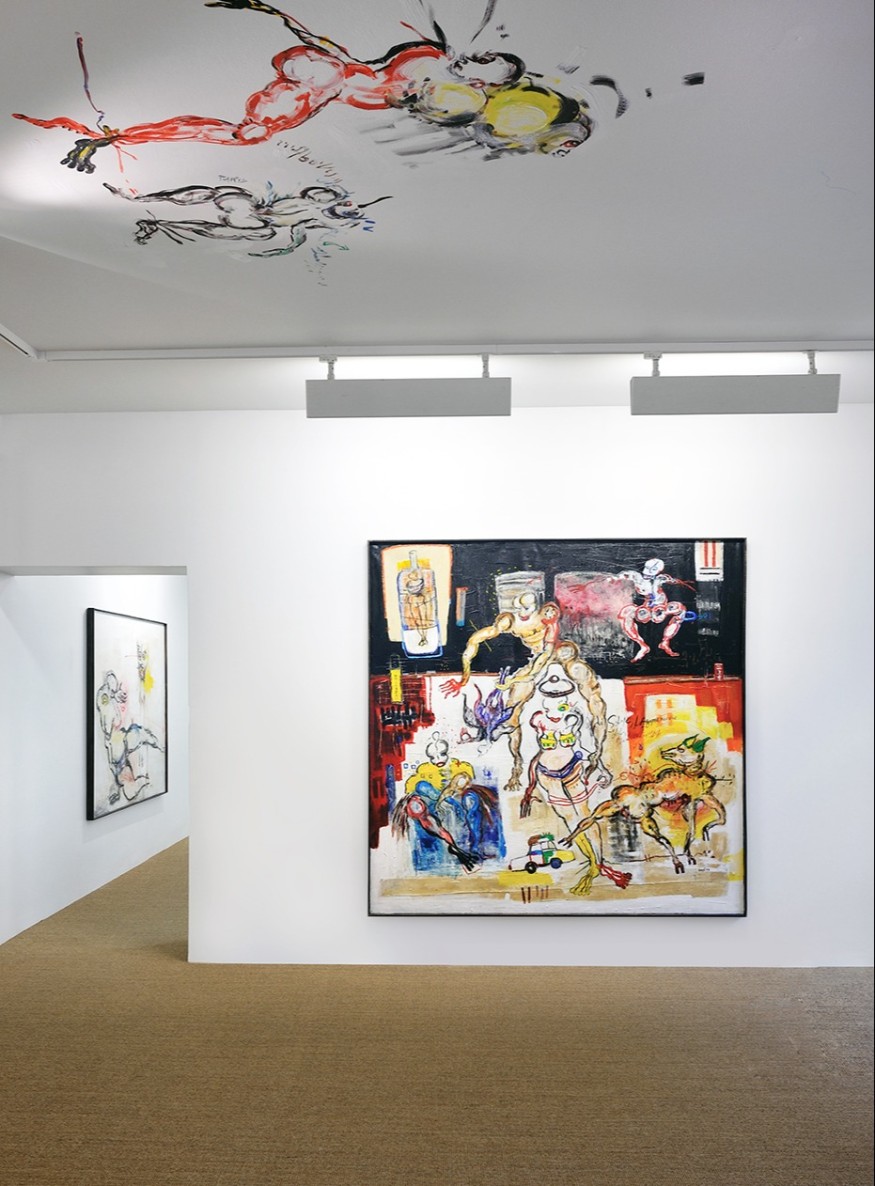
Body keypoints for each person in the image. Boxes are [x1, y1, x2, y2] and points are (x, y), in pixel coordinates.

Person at [13, 0, 595, 173]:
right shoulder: (449, 64)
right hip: (334, 69)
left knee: (249, 135)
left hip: (330, 79)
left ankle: (114, 136)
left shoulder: (451, 96)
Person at [441, 589, 609, 794]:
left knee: (590, 692)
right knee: (511, 711)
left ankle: (598, 753)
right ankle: (517, 765)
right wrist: (464, 676)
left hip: (557, 653)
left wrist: (515, 679)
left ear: (537, 606)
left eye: (527, 607)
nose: (521, 612)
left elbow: (543, 659)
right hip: (535, 659)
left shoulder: (547, 617)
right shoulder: (510, 622)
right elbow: (475, 640)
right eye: (517, 607)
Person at [522, 673, 631, 895]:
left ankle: (598, 861)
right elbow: (534, 752)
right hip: (547, 775)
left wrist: (601, 768)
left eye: (560, 699)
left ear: (568, 700)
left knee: (585, 816)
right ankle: (593, 862)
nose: (555, 703)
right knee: (571, 820)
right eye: (550, 698)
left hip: (572, 768)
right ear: (544, 701)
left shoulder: (574, 718)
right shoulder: (538, 719)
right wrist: (528, 783)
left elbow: (585, 747)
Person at [95, 671, 164, 805]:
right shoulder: (104, 697)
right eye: (112, 682)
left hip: (118, 743)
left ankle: (158, 745)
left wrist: (114, 695)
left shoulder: (108, 698)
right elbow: (104, 701)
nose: (115, 685)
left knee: (137, 733)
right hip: (116, 744)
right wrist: (113, 695)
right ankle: (125, 786)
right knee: (136, 733)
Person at [608, 557, 695, 662]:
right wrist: (614, 578)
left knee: (680, 609)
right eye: (649, 569)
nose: (649, 573)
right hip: (647, 608)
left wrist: (676, 581)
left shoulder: (659, 579)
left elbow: (670, 579)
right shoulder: (637, 577)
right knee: (626, 613)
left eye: (653, 570)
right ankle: (642, 645)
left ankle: (665, 641)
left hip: (661, 606)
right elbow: (624, 575)